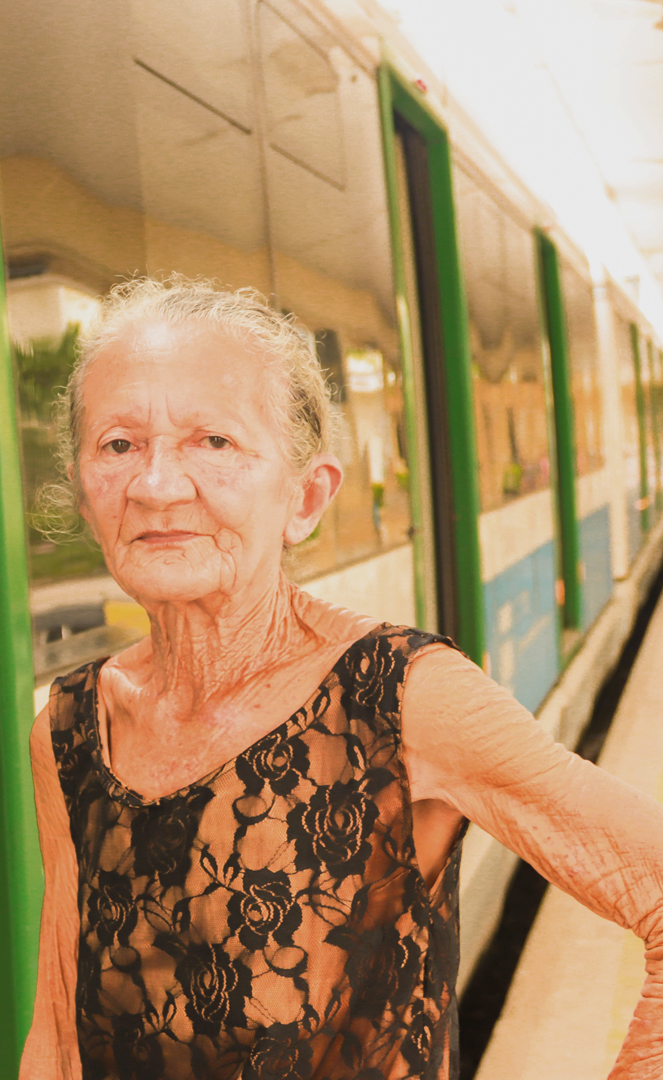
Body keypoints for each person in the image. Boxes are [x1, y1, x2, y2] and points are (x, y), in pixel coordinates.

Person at [21, 277, 663, 1080]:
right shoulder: (71, 725)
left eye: (211, 443)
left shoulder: (399, 698)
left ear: (305, 497)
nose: (155, 485)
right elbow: (57, 1028)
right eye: (118, 445)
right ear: (84, 492)